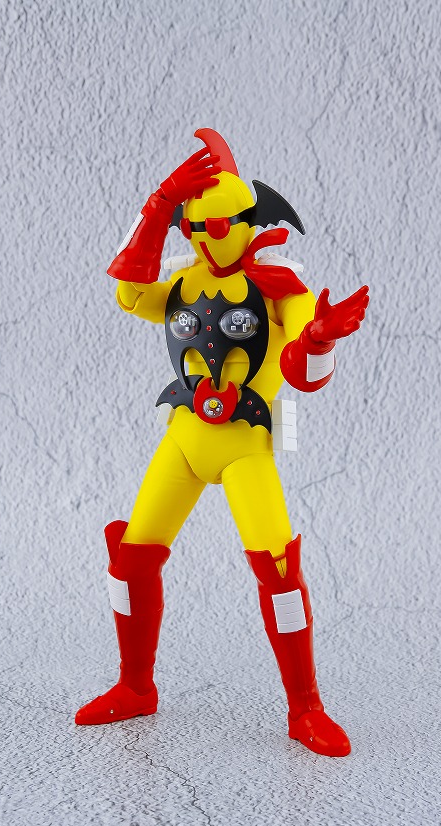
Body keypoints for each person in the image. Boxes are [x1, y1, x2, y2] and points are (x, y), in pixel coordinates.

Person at [75, 129, 369, 756]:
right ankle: (134, 686)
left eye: (217, 225)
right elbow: (127, 288)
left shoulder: (279, 286)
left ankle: (306, 708)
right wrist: (157, 206)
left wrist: (319, 337)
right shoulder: (181, 284)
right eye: (192, 228)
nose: (206, 238)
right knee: (130, 562)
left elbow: (303, 373)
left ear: (248, 220)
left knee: (280, 572)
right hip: (184, 438)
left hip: (245, 445)